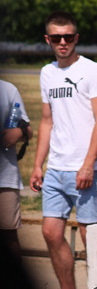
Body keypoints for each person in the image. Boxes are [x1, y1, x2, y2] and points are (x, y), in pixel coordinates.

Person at [30, 11, 97, 289]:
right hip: (56, 168)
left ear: (76, 38)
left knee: (92, 236)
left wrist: (88, 164)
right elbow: (47, 120)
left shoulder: (92, 70)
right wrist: (38, 165)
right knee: (51, 232)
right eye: (56, 38)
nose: (63, 43)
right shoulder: (46, 73)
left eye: (69, 37)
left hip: (86, 169)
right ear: (47, 40)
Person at [0, 79, 31, 257]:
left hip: (4, 178)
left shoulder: (8, 89)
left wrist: (19, 132)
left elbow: (28, 129)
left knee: (8, 236)